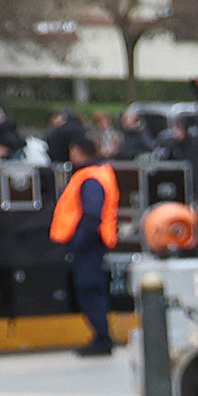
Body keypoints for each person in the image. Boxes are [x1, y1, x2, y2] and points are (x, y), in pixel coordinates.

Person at [51, 142, 127, 357]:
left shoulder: (90, 177)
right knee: (93, 290)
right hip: (94, 242)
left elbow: (92, 214)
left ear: (79, 152)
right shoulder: (100, 173)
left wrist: (78, 241)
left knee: (89, 290)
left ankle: (102, 338)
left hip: (88, 244)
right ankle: (101, 337)